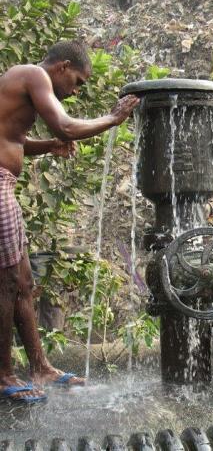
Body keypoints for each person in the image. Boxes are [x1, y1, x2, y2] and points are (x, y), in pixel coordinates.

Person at [0, 40, 139, 402]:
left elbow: (13, 139)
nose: (75, 91)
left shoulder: (25, 83)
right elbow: (65, 125)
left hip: (5, 182)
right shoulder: (32, 74)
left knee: (24, 283)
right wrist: (113, 118)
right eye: (77, 81)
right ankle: (2, 374)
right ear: (62, 67)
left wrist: (47, 146)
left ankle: (41, 368)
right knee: (7, 281)